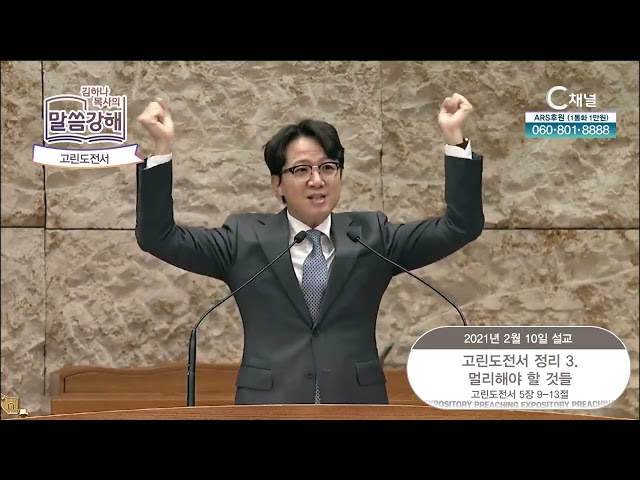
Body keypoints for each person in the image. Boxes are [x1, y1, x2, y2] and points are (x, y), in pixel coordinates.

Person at [135, 93, 484, 405]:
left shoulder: (372, 236)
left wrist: (455, 139)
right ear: (277, 183)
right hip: (270, 407)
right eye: (301, 170)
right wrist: (162, 147)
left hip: (356, 406)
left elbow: (460, 226)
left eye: (328, 167)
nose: (317, 180)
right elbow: (159, 237)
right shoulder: (243, 239)